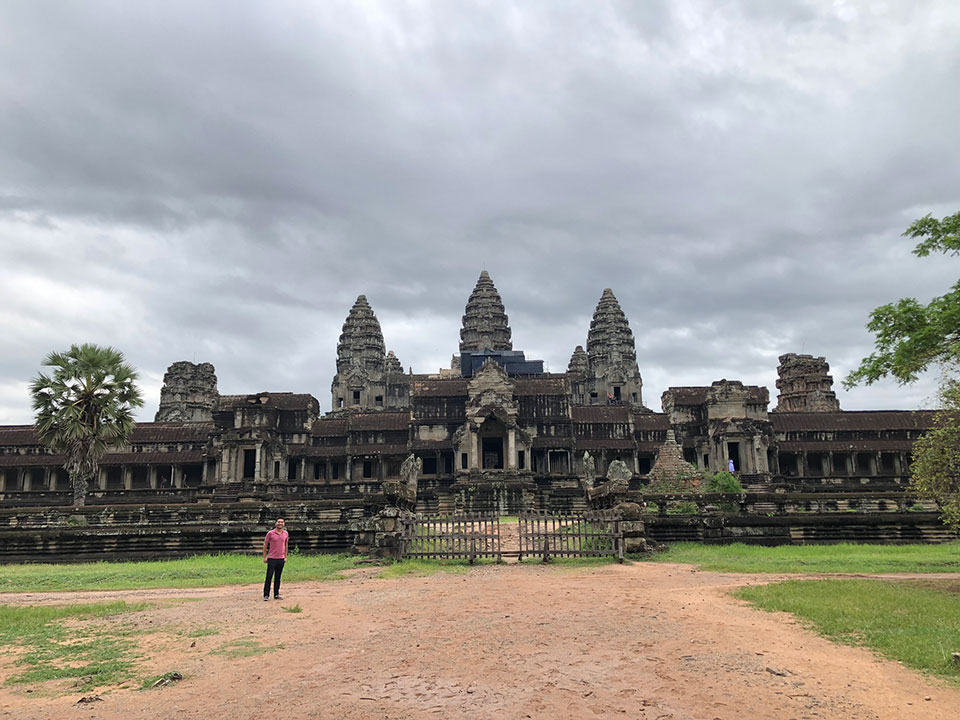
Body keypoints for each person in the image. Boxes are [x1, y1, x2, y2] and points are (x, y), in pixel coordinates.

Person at [262, 518, 288, 601]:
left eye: (282, 522)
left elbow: (286, 545)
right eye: (279, 522)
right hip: (272, 558)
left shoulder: (285, 533)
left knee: (278, 577)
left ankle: (276, 594)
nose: (280, 523)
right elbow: (265, 545)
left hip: (281, 558)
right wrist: (265, 557)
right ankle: (266, 594)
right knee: (269, 576)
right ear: (275, 523)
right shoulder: (270, 533)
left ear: (284, 524)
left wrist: (285, 556)